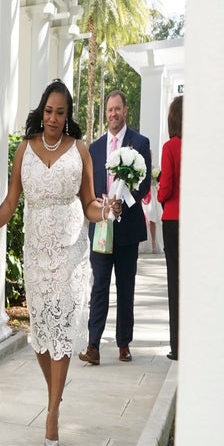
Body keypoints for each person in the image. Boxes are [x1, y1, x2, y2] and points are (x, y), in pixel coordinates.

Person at [0, 81, 115, 446]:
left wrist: (105, 211)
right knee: (41, 335)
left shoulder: (80, 150)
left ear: (68, 116)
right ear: (42, 111)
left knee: (64, 331)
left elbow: (88, 204)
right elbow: (10, 201)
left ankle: (52, 412)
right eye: (49, 111)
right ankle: (54, 392)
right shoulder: (25, 149)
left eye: (61, 113)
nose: (54, 119)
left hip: (71, 251)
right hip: (36, 251)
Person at [78, 90, 152, 365]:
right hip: (101, 227)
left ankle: (123, 344)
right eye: (109, 109)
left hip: (128, 228)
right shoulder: (95, 148)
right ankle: (93, 344)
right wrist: (101, 202)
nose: (113, 114)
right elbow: (89, 185)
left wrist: (123, 203)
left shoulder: (140, 143)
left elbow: (143, 184)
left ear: (125, 111)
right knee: (99, 286)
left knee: (126, 287)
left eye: (117, 109)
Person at [157, 94, 182, 360]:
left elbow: (165, 189)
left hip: (173, 220)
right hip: (194, 221)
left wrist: (161, 194)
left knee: (174, 283)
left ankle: (177, 346)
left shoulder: (170, 147)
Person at [144, 172, 162, 252]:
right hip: (145, 194)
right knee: (145, 219)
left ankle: (153, 243)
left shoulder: (155, 168)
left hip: (153, 194)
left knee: (152, 218)